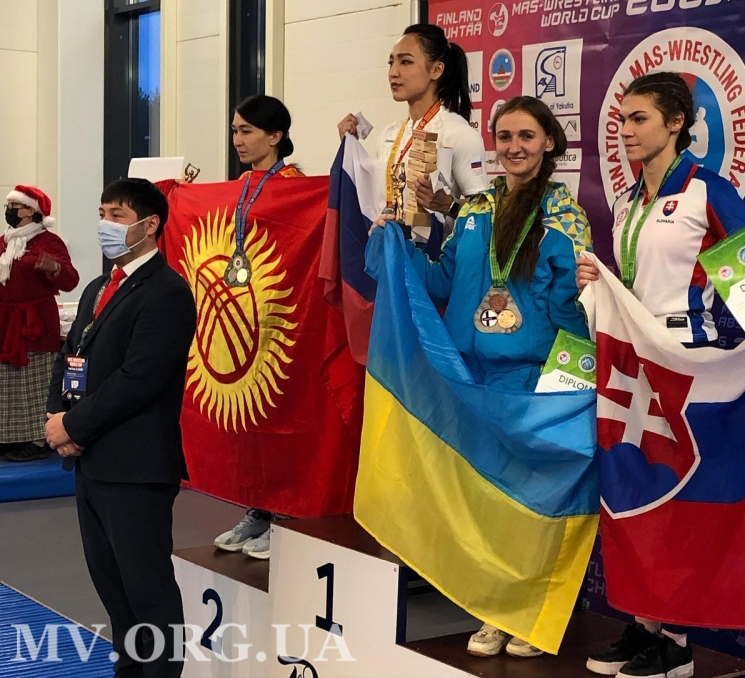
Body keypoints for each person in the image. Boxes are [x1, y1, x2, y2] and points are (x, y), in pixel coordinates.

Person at [576, 72, 745, 678]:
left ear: (676, 123)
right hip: (633, 361)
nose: (625, 131)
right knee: (636, 491)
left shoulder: (706, 190)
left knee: (679, 495)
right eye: (622, 120)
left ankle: (675, 643)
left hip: (685, 356)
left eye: (639, 119)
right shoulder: (626, 202)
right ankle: (644, 623)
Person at [370, 95, 591, 657]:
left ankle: (530, 614)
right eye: (505, 136)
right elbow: (442, 283)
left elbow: (572, 306)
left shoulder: (563, 216)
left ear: (549, 143)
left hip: (528, 384)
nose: (514, 147)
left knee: (529, 505)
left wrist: (568, 385)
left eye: (527, 136)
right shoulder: (474, 210)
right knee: (485, 503)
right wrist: (398, 243)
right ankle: (494, 609)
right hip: (470, 382)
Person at [45, 178, 196, 678]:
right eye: (102, 214)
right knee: (114, 590)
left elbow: (140, 379)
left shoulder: (167, 292)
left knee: (148, 591)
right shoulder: (98, 287)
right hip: (92, 462)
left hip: (136, 466)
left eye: (117, 216)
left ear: (150, 226)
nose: (105, 225)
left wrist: (74, 425)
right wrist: (57, 417)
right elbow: (71, 355)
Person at [213, 94, 303, 559]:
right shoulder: (241, 185)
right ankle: (259, 509)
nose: (238, 140)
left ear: (275, 135)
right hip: (245, 318)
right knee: (248, 423)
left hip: (282, 320)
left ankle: (286, 515)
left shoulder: (295, 186)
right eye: (234, 130)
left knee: (280, 419)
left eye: (247, 130)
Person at [337, 23, 487, 224]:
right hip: (390, 243)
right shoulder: (389, 135)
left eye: (405, 62)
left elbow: (484, 213)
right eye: (391, 63)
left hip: (440, 245)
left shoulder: (459, 134)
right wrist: (349, 147)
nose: (393, 72)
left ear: (436, 70)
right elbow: (371, 200)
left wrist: (447, 205)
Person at [1, 186, 78, 462]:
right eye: (8, 206)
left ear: (30, 210)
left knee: (36, 381)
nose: (9, 211)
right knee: (7, 380)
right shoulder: (4, 242)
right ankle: (8, 436)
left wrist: (55, 268)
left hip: (36, 321)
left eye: (14, 206)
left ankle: (38, 438)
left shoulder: (49, 242)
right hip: (5, 321)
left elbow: (71, 279)